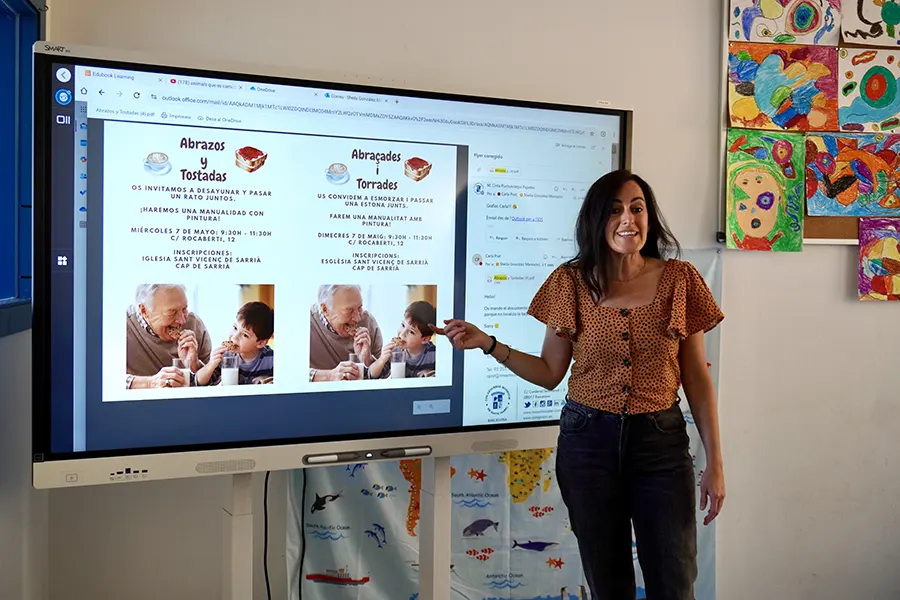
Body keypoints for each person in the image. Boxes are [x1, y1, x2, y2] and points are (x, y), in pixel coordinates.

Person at [433, 169, 725, 599]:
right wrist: (489, 344)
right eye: (614, 210)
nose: (628, 220)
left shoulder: (680, 280)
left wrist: (715, 462)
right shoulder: (569, 282)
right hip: (588, 445)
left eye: (637, 208)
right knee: (608, 583)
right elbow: (550, 372)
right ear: (595, 220)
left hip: (660, 445)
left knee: (675, 580)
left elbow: (697, 377)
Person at [125, 284, 212, 389]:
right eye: (172, 313)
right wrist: (149, 383)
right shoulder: (121, 326)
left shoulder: (195, 325)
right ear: (144, 311)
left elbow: (214, 383)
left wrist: (194, 365)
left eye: (184, 309)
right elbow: (109, 379)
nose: (182, 321)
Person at [309, 284, 384, 381]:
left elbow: (383, 377)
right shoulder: (305, 323)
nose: (357, 318)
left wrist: (368, 359)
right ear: (325, 309)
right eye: (349, 311)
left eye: (359, 308)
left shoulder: (368, 322)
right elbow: (292, 372)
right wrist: (329, 376)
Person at [197, 301, 275, 385]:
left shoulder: (272, 359)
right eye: (235, 328)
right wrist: (211, 364)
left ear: (261, 343)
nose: (234, 337)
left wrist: (267, 380)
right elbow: (200, 382)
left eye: (245, 335)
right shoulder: (225, 356)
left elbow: (282, 382)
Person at [369, 300, 437, 378]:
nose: (402, 334)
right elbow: (372, 375)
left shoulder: (434, 353)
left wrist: (432, 373)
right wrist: (382, 359)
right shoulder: (395, 351)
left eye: (411, 332)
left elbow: (444, 374)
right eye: (403, 325)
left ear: (425, 339)